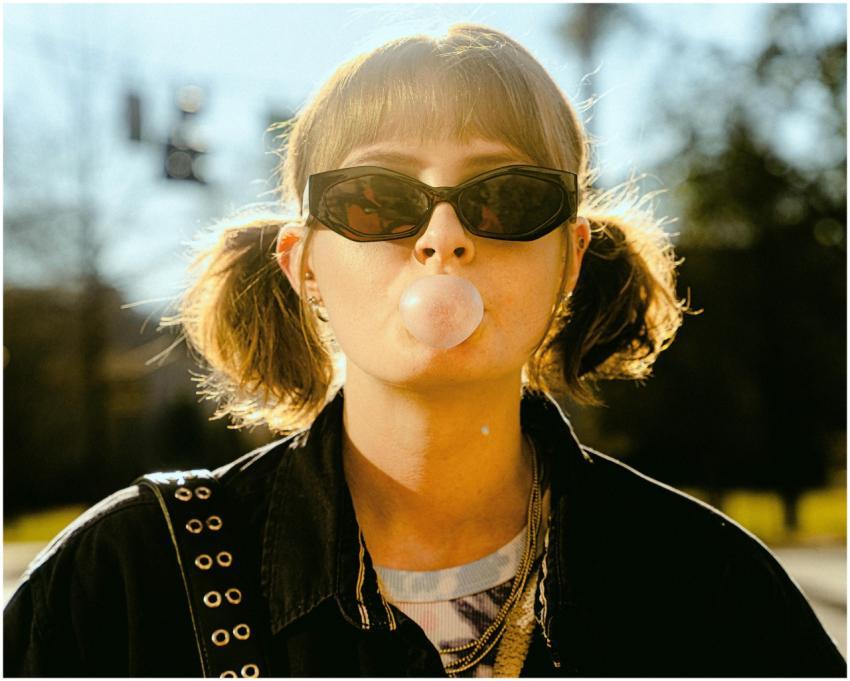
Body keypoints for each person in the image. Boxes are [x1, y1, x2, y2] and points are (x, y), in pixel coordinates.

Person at [4, 23, 845, 678]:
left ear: (571, 257)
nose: (443, 237)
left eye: (507, 196)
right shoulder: (120, 581)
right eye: (377, 198)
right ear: (306, 266)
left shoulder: (707, 586)